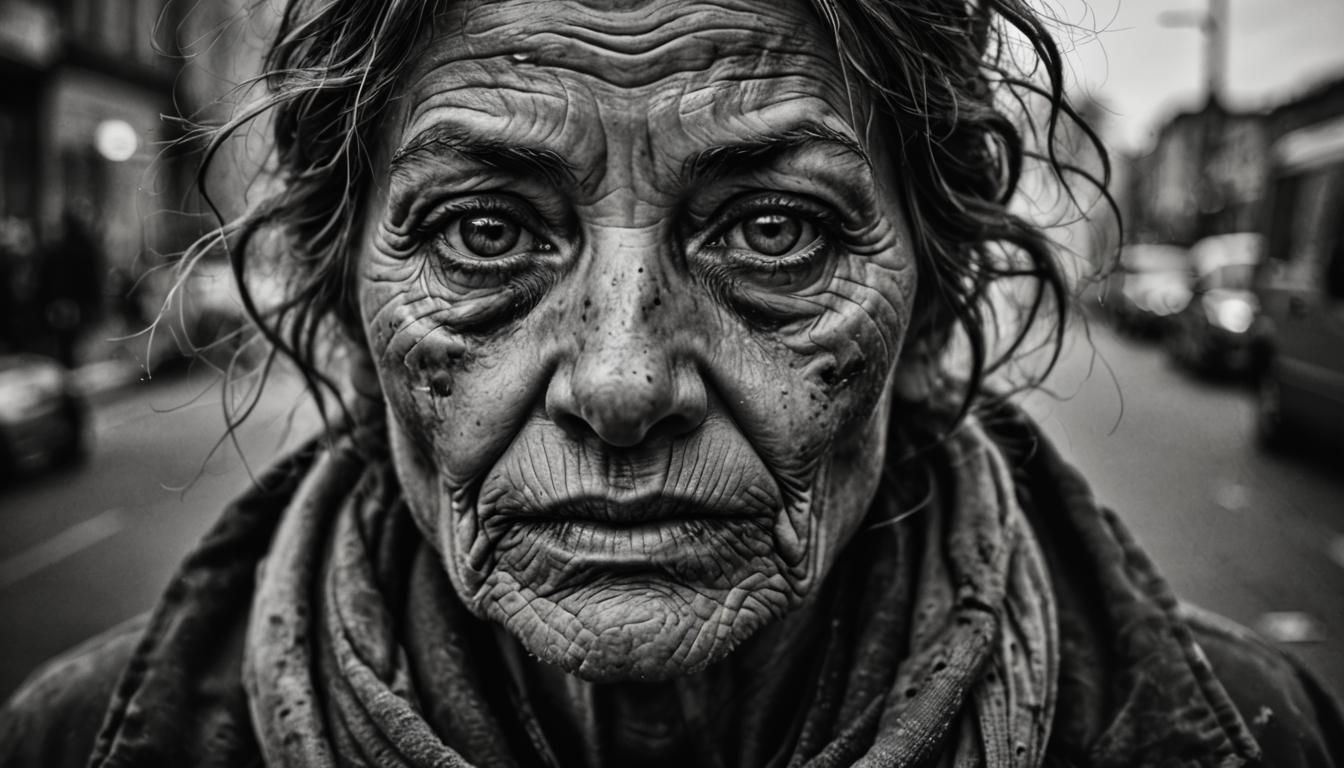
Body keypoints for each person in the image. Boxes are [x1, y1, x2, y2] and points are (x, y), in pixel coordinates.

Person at [3, 0, 1342, 765]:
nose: (623, 379)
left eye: (774, 228)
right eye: (485, 230)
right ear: (349, 309)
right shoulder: (76, 748)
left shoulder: (1257, 741)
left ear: (931, 305)